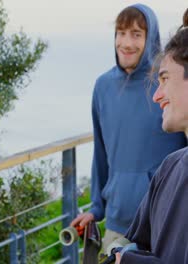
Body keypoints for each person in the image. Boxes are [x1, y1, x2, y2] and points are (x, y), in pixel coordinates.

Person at [70, 4, 186, 251]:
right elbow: (101, 152)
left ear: (150, 37)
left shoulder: (166, 87)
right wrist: (96, 209)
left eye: (136, 34)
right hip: (117, 222)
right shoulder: (103, 87)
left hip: (164, 221)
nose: (126, 42)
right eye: (121, 33)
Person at [115, 9, 188, 264]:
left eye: (165, 79)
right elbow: (131, 245)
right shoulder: (170, 167)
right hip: (117, 214)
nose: (156, 96)